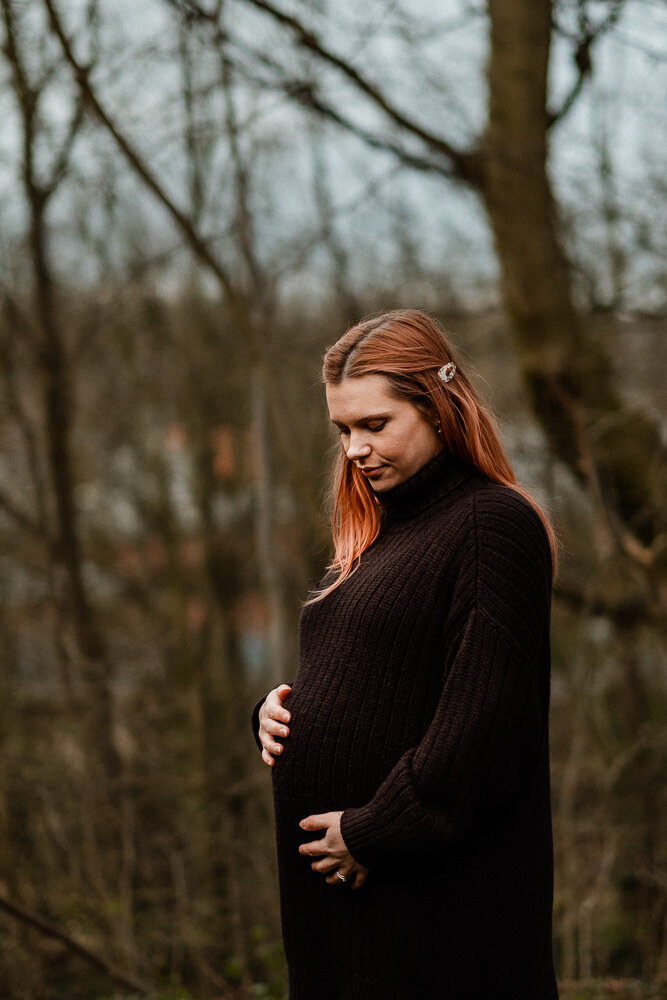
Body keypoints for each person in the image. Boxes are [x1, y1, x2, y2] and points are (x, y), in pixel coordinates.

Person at [251, 309, 560, 999]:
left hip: (436, 922)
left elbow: (487, 722)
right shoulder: (380, 536)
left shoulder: (489, 525)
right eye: (343, 430)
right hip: (348, 923)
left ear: (439, 407)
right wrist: (274, 712)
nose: (355, 448)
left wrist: (376, 831)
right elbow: (369, 674)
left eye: (374, 425)